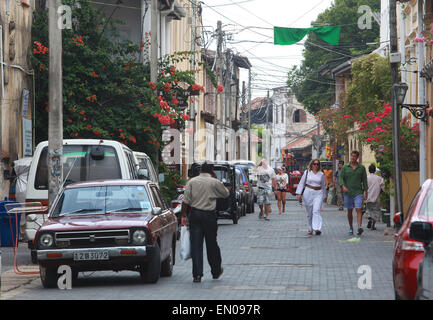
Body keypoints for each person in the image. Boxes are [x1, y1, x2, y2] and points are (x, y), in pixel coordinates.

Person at [180, 161, 229, 283]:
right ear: (212, 171)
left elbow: (185, 201)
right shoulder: (214, 182)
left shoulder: (192, 182)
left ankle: (197, 275)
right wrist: (217, 181)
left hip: (195, 215)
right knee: (212, 244)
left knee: (196, 245)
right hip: (209, 216)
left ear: (201, 170)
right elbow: (225, 194)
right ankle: (216, 271)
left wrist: (183, 216)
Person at [339, 150, 368, 236]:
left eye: (354, 156)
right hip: (348, 192)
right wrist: (343, 186)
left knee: (358, 208)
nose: (352, 158)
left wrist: (366, 191)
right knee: (349, 211)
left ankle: (359, 227)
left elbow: (365, 180)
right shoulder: (345, 167)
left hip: (358, 192)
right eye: (351, 156)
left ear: (357, 157)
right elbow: (341, 178)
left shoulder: (361, 168)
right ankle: (351, 227)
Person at [296, 159, 327, 235]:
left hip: (318, 193)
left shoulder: (321, 174)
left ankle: (317, 228)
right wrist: (299, 193)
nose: (316, 165)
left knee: (316, 210)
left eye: (317, 164)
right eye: (314, 164)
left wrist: (324, 196)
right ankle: (310, 228)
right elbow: (301, 183)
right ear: (311, 164)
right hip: (308, 192)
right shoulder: (307, 173)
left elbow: (323, 186)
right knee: (309, 212)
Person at [365, 164, 385, 231]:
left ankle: (370, 218)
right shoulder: (379, 178)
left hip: (368, 197)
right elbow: (383, 187)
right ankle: (373, 225)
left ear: (369, 170)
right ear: (375, 170)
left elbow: (363, 187)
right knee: (376, 211)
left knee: (369, 210)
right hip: (376, 197)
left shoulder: (366, 178)